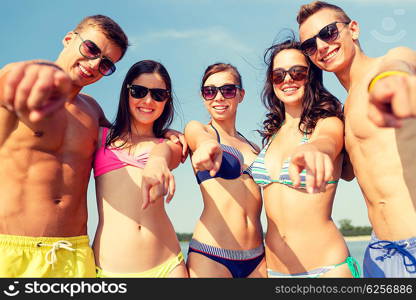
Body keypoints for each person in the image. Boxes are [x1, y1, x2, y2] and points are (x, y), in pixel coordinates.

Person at [0, 15, 129, 277]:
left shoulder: (93, 111)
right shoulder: (17, 81)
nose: (93, 64)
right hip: (12, 251)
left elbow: (135, 138)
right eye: (91, 49)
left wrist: (173, 135)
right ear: (69, 39)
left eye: (106, 64)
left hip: (75, 253)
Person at [297, 1, 416, 278]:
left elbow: (402, 65)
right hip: (379, 252)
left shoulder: (387, 64)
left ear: (353, 29)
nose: (322, 46)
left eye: (328, 32)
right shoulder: (344, 110)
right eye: (310, 45)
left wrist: (391, 84)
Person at [247, 37, 360, 278]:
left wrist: (316, 149)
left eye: (297, 72)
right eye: (278, 75)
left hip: (327, 269)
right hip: (275, 271)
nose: (287, 79)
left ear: (311, 77)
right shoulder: (272, 136)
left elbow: (328, 140)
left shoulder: (327, 122)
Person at [92, 60, 188, 278]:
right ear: (126, 92)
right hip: (110, 272)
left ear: (167, 100)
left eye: (158, 94)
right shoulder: (100, 138)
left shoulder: (171, 144)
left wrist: (157, 161)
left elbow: (165, 155)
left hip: (168, 266)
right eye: (138, 91)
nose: (147, 100)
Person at [184, 63, 266, 278]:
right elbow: (198, 139)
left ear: (240, 94)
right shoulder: (200, 130)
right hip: (212, 256)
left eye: (227, 90)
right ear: (204, 97)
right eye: (210, 91)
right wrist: (205, 147)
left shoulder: (253, 147)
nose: (218, 97)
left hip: (257, 257)